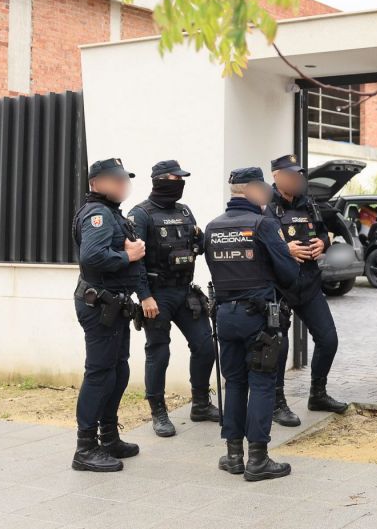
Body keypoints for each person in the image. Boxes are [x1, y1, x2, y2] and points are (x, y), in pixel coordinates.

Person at [204, 167, 300, 481]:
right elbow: (289, 273)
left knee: (234, 383)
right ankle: (258, 459)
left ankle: (233, 455)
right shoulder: (264, 224)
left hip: (225, 317)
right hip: (259, 319)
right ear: (254, 190)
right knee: (261, 383)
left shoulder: (212, 227)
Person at [128, 160, 220, 437]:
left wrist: (202, 239)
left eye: (181, 178)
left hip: (185, 291)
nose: (179, 182)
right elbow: (135, 261)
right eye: (173, 178)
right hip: (158, 294)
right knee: (159, 352)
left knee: (205, 346)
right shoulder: (141, 214)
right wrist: (144, 296)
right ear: (158, 180)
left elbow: (197, 247)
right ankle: (158, 412)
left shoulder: (184, 211)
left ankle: (201, 404)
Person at [70, 157, 148, 473]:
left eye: (123, 180)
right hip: (98, 305)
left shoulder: (111, 212)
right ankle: (85, 448)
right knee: (100, 373)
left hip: (114, 305)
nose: (121, 185)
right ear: (96, 183)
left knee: (118, 371)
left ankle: (109, 436)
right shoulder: (98, 214)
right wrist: (126, 255)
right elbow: (92, 256)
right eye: (115, 180)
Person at [267, 154, 349, 427]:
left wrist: (322, 244)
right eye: (290, 175)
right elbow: (255, 245)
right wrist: (283, 250)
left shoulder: (309, 203)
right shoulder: (264, 207)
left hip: (310, 284)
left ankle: (318, 393)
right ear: (277, 176)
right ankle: (277, 403)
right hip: (279, 287)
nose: (297, 179)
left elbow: (325, 232)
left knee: (329, 339)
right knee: (278, 345)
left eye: (298, 175)